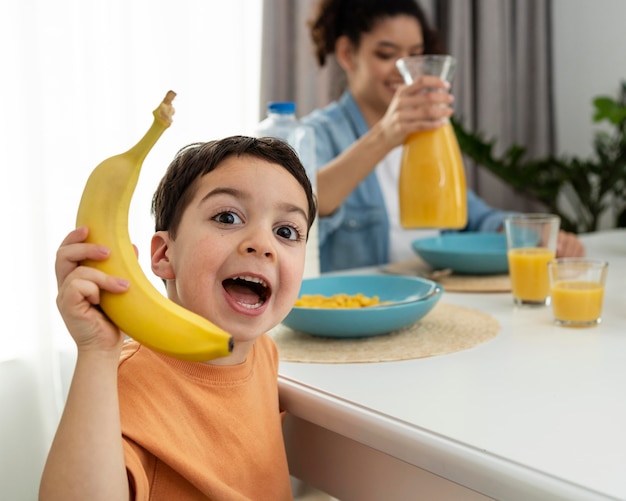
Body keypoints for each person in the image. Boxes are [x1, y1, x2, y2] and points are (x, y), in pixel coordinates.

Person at [39, 136, 317, 500]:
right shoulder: (120, 383)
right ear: (164, 256)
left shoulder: (263, 352)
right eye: (227, 217)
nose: (261, 244)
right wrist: (96, 353)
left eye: (286, 231)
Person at [302, 0, 584, 272]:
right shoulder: (316, 135)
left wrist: (540, 236)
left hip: (437, 296)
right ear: (347, 54)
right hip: (360, 307)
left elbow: (476, 218)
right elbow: (304, 205)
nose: (404, 68)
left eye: (415, 54)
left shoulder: (428, 136)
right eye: (387, 55)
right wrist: (386, 135)